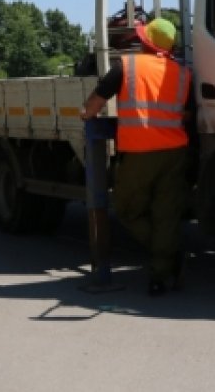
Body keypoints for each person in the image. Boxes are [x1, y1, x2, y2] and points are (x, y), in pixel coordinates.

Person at [79, 16, 194, 296]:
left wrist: (85, 114)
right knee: (166, 215)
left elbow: (95, 103)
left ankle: (165, 256)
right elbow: (188, 114)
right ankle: (161, 272)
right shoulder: (182, 74)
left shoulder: (127, 66)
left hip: (140, 153)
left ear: (144, 41)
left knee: (128, 209)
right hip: (175, 153)